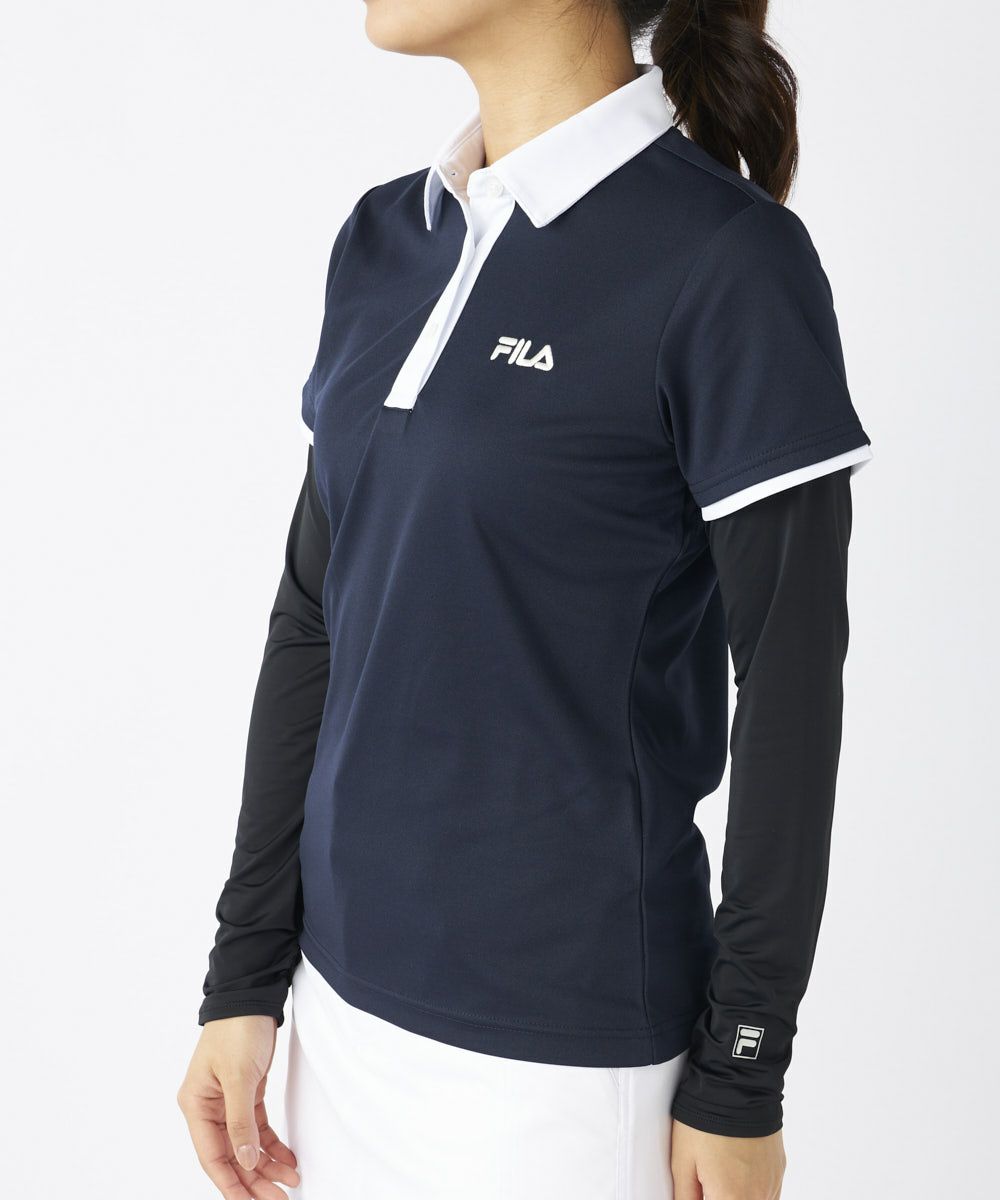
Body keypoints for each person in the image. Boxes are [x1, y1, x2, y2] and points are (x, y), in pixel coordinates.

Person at [176, 1, 872, 1197]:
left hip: (561, 1069)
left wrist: (740, 1072)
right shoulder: (387, 236)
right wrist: (243, 978)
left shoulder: (727, 259)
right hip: (338, 1022)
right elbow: (314, 618)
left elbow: (791, 690)